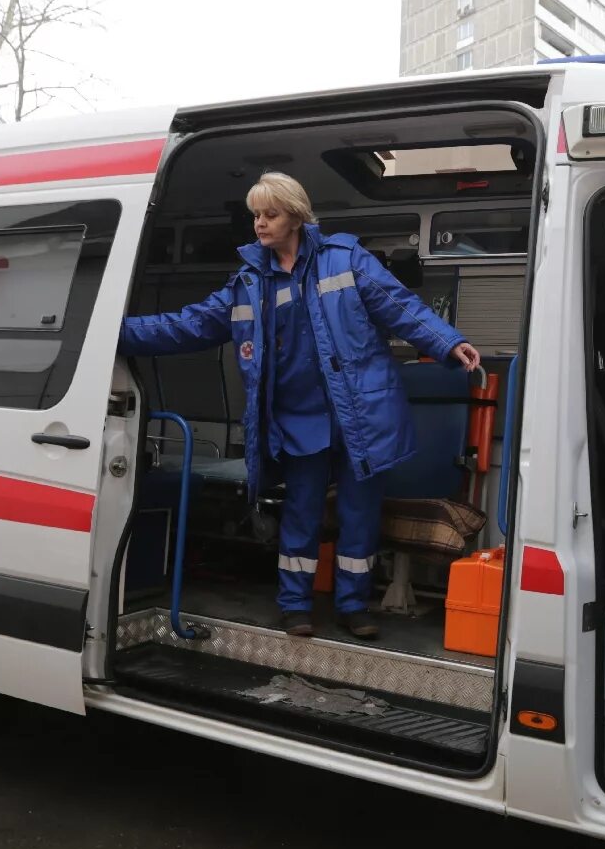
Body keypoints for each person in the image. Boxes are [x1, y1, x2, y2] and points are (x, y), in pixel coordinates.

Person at [118, 172, 481, 641]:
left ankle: (353, 606)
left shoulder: (345, 259)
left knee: (359, 513)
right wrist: (118, 332)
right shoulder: (249, 283)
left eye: (270, 215)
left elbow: (400, 306)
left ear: (296, 216)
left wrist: (448, 341)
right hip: (300, 419)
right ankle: (294, 606)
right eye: (256, 216)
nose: (260, 225)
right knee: (302, 511)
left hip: (360, 418)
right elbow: (188, 325)